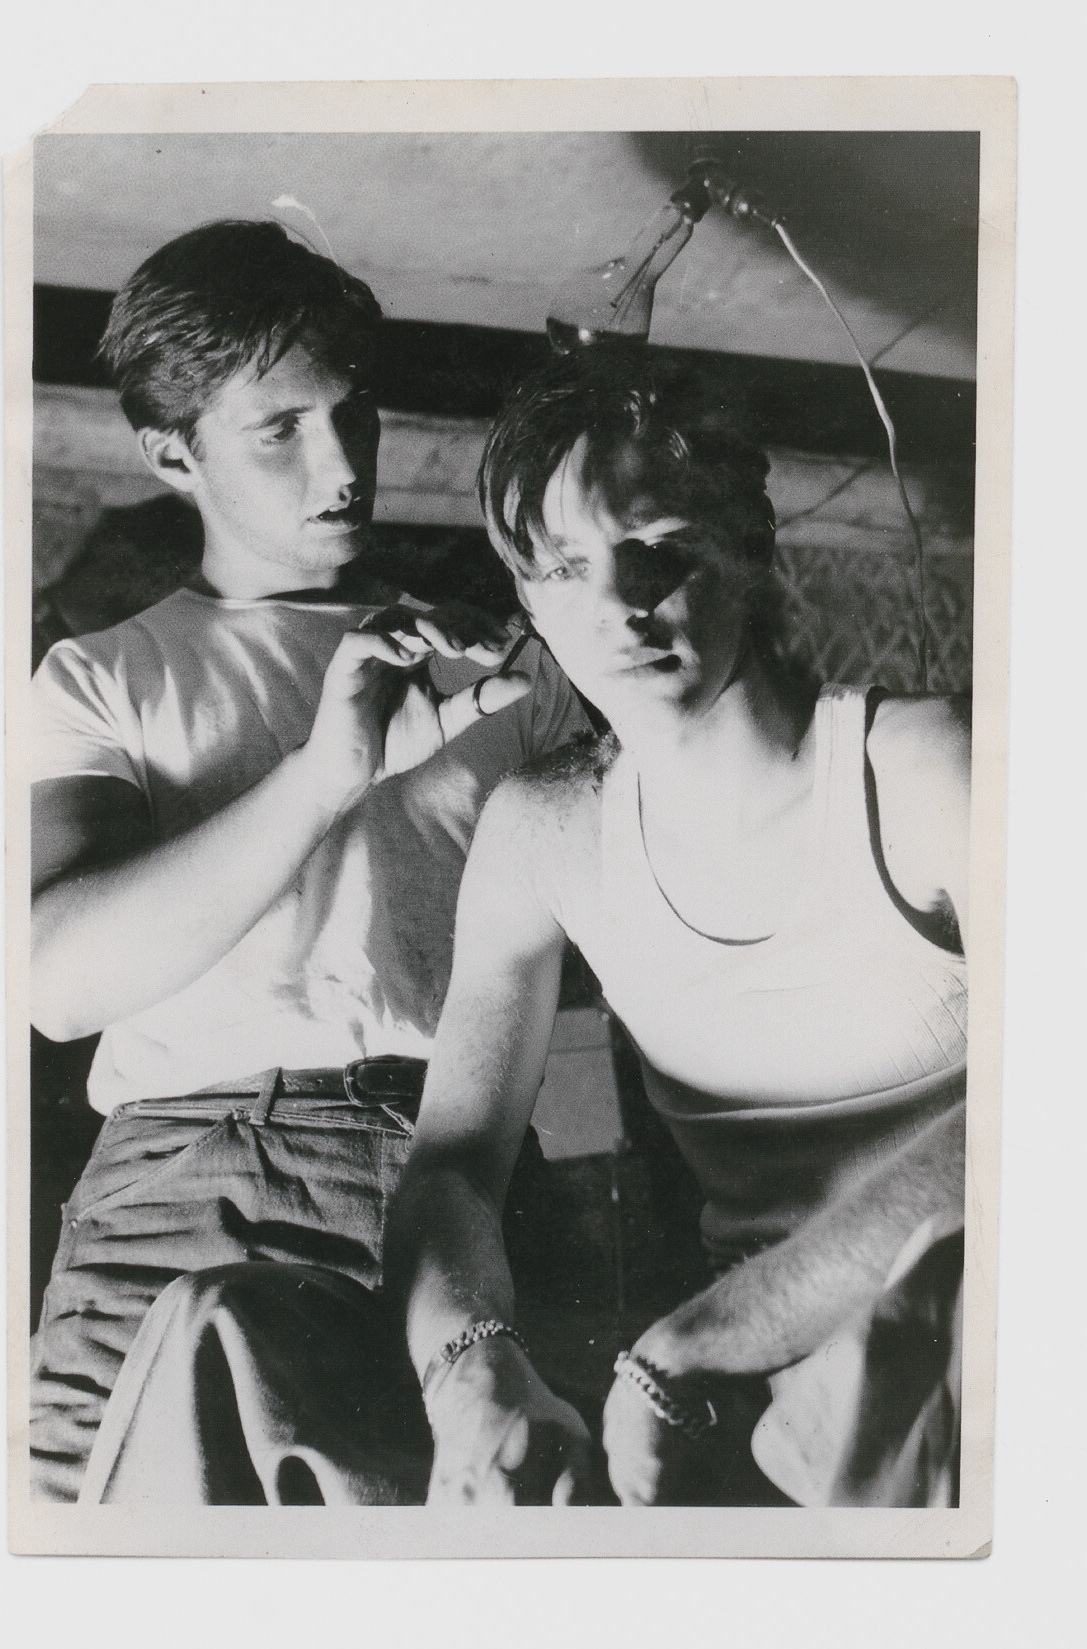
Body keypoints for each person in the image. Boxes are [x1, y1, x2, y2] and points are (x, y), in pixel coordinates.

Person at [28, 221, 590, 1504]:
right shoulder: (99, 677)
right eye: (279, 428)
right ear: (174, 453)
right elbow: (56, 978)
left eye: (356, 411)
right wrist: (328, 773)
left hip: (461, 1184)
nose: (341, 463)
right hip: (176, 1187)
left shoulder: (511, 664)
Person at [386, 350, 969, 1508]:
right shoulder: (540, 833)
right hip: (733, 1389)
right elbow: (452, 1164)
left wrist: (701, 1337)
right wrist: (469, 1365)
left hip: (966, 1334)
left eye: (655, 545)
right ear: (532, 604)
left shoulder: (924, 768)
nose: (617, 604)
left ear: (748, 551)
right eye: (564, 567)